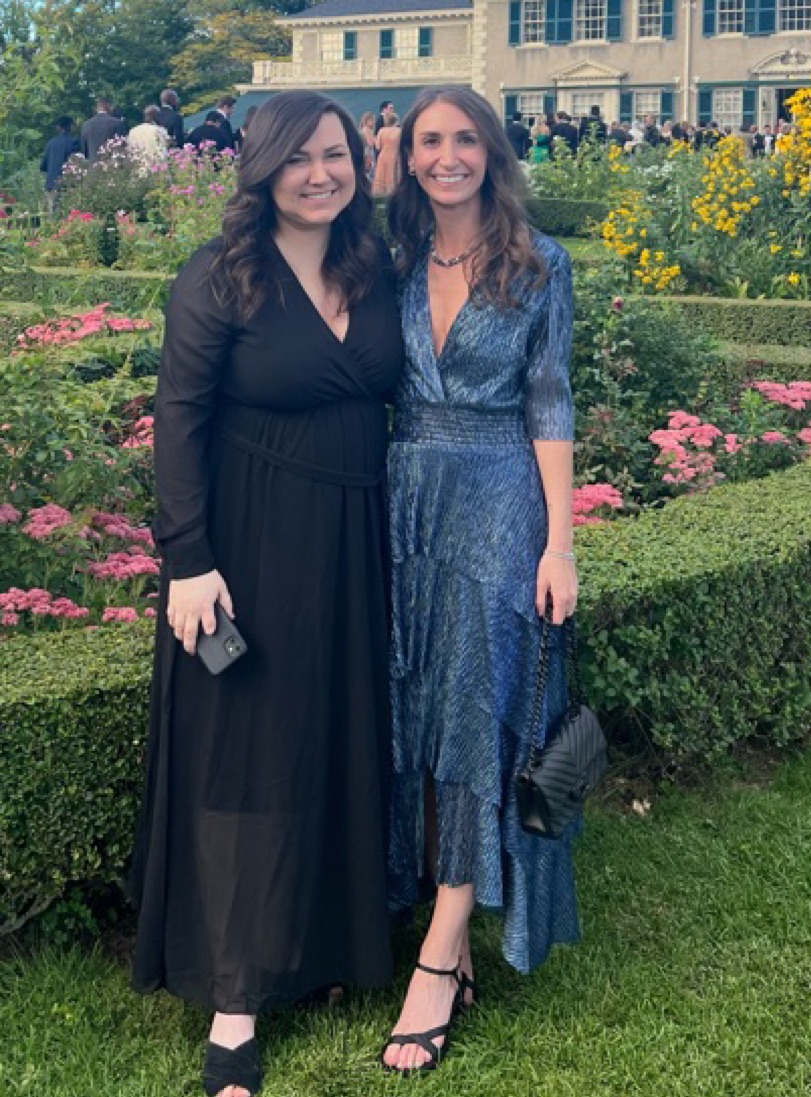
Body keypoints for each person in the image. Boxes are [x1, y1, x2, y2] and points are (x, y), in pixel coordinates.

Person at [129, 89, 405, 1097]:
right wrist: (188, 557)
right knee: (246, 754)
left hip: (353, 538)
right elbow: (177, 418)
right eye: (298, 157)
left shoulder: (373, 268)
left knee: (333, 735)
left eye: (335, 154)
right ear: (262, 167)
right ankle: (236, 996)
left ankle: (320, 943)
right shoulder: (220, 274)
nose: (320, 174)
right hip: (249, 542)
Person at [382, 84, 579, 1076]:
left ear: (492, 152)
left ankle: (440, 949)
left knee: (473, 714)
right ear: (407, 154)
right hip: (402, 501)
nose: (447, 156)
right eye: (429, 141)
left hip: (500, 501)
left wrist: (560, 543)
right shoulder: (390, 258)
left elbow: (550, 401)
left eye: (465, 139)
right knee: (414, 710)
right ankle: (438, 915)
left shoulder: (540, 263)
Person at [40, 116, 79, 213]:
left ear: (58, 127)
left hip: (51, 183)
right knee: (68, 213)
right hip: (67, 183)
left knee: (52, 212)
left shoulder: (50, 143)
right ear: (70, 126)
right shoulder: (74, 142)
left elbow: (43, 166)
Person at [127, 105, 169, 169]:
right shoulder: (159, 130)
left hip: (139, 167)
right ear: (156, 116)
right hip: (157, 167)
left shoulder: (132, 131)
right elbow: (164, 149)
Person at [373, 111, 401, 195]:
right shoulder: (399, 131)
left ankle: (380, 194)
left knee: (382, 175)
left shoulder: (381, 131)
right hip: (395, 155)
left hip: (383, 154)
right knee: (393, 175)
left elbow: (377, 146)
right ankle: (392, 193)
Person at [359, 110, 378, 180]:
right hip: (368, 152)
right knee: (370, 172)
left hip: (365, 152)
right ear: (367, 120)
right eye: (372, 120)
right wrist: (376, 139)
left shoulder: (363, 129)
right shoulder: (367, 130)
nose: (374, 122)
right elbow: (371, 143)